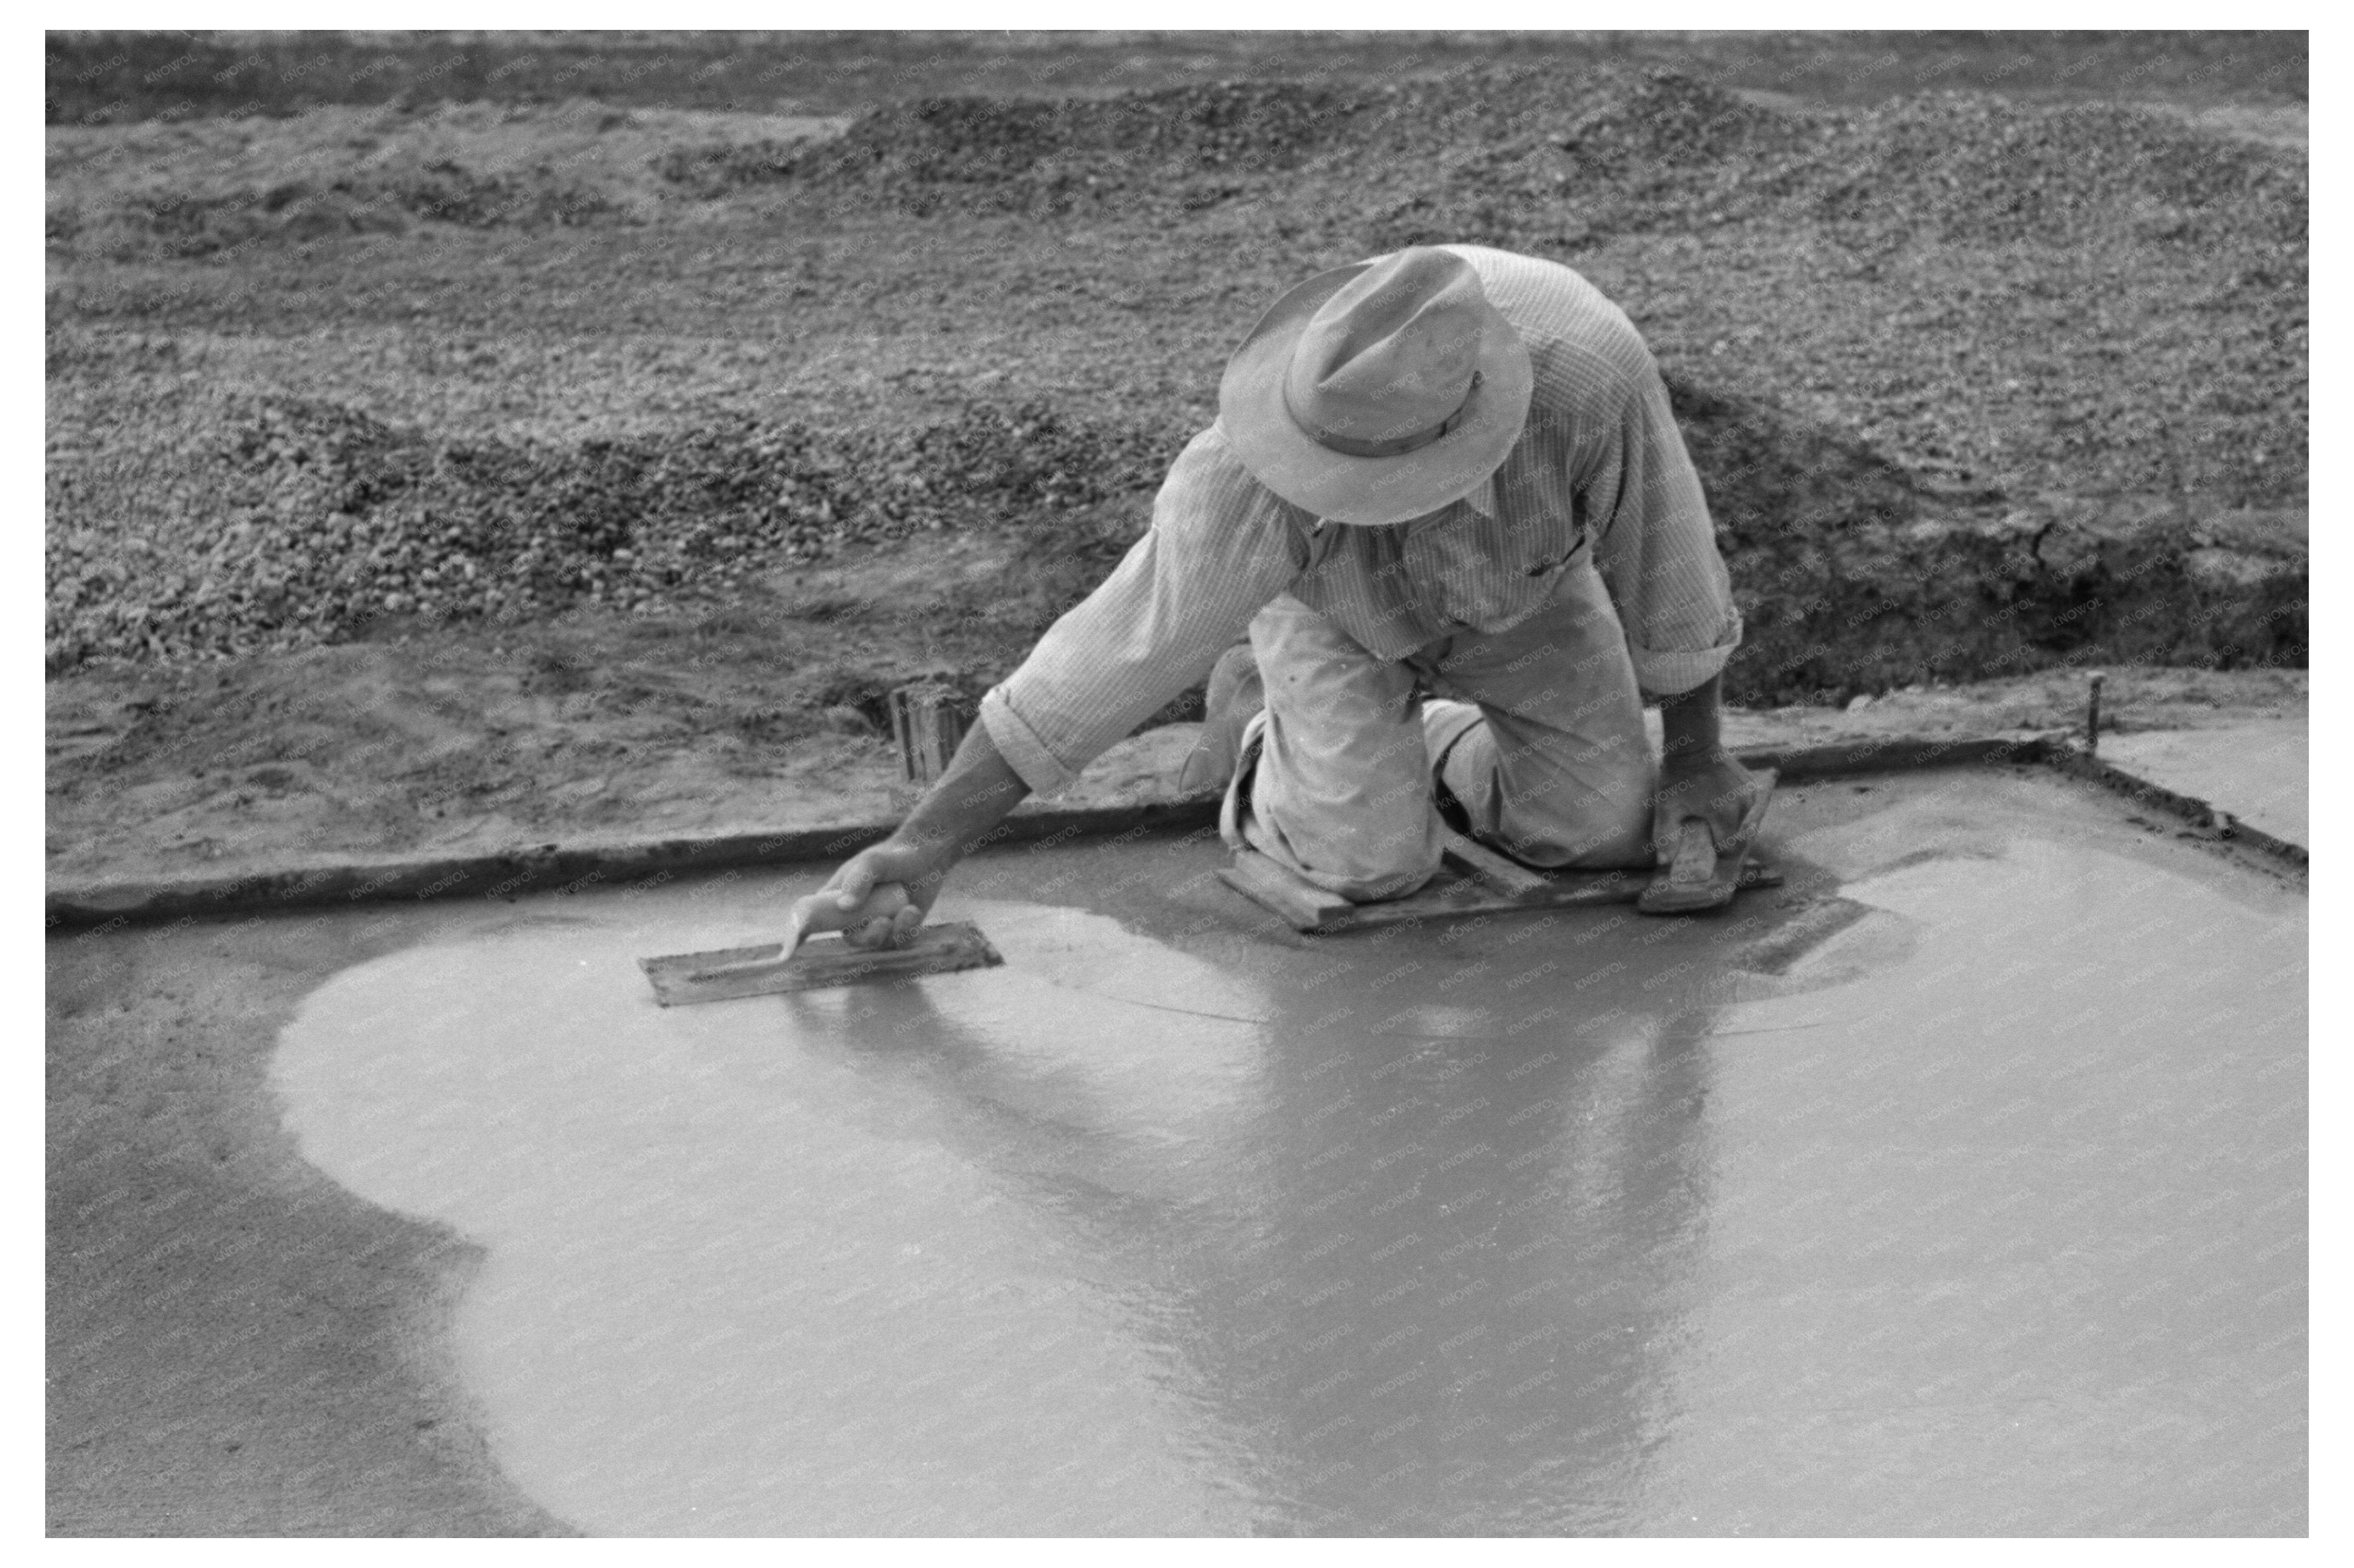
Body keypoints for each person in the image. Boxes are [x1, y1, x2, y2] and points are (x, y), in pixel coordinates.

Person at [796, 243, 1762, 952]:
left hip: (1524, 586)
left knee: (1599, 835)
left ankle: (1429, 737)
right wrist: (921, 850)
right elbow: (1101, 661)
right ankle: (1261, 721)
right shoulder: (1246, 475)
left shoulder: (1588, 373)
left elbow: (1668, 567)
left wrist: (1694, 760)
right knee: (1370, 866)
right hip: (1334, 612)